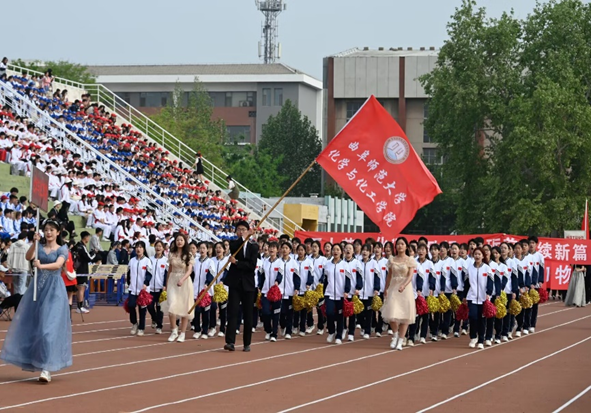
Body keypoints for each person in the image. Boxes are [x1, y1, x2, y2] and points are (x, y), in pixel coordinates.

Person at [0, 219, 71, 383]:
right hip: (37, 290)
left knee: (48, 330)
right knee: (35, 327)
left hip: (54, 291)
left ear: (58, 232)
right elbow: (28, 256)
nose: (49, 232)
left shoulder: (62, 249)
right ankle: (36, 360)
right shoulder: (39, 247)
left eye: (52, 230)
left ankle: (46, 368)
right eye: (46, 229)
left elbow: (58, 265)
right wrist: (34, 242)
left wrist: (41, 266)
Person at [223, 220, 259, 352]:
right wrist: (242, 238)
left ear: (248, 231)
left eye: (243, 229)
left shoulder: (253, 247)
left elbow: (251, 265)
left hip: (248, 284)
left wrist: (237, 263)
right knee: (232, 312)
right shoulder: (234, 244)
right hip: (235, 283)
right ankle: (230, 342)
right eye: (238, 229)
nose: (241, 232)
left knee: (248, 314)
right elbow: (235, 248)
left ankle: (247, 343)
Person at [381, 237, 417, 351]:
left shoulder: (410, 260)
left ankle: (401, 340)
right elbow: (389, 275)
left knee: (404, 315)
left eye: (402, 244)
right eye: (398, 244)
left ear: (406, 246)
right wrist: (386, 288)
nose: (400, 246)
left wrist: (404, 285)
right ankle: (395, 335)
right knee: (392, 312)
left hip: (405, 289)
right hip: (394, 287)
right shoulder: (392, 259)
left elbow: (410, 276)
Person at [166, 233, 195, 343]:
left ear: (184, 241)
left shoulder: (188, 255)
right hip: (172, 280)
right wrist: (166, 283)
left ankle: (182, 333)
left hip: (185, 281)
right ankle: (174, 330)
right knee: (171, 305)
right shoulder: (171, 254)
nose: (179, 242)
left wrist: (182, 279)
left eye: (181, 240)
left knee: (184, 307)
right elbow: (169, 269)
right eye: (178, 240)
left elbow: (189, 270)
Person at [464, 247, 493, 349]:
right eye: (475, 254)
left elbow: (490, 282)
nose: (477, 256)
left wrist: (488, 293)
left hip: (483, 298)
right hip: (471, 297)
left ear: (483, 256)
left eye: (479, 254)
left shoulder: (487, 268)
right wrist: (464, 296)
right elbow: (466, 284)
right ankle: (473, 337)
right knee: (473, 317)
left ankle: (481, 340)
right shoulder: (469, 268)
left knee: (482, 319)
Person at [126, 241, 153, 336]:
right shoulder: (132, 260)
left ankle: (141, 328)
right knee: (131, 305)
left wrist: (146, 283)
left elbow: (149, 274)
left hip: (143, 290)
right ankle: (134, 323)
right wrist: (129, 283)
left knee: (142, 310)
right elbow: (128, 273)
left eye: (141, 247)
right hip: (133, 289)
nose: (138, 249)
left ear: (144, 249)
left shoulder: (147, 261)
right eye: (137, 247)